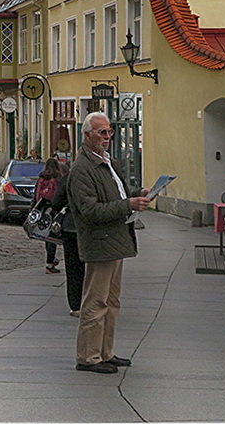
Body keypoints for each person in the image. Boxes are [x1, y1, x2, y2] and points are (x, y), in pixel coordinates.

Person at [67, 111, 151, 374]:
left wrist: (138, 196)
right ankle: (88, 357)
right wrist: (128, 204)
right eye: (102, 132)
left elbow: (117, 195)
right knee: (95, 302)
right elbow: (90, 211)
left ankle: (105, 352)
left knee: (112, 301)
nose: (107, 137)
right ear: (87, 135)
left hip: (116, 239)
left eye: (109, 132)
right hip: (100, 241)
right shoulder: (82, 169)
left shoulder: (107, 162)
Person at [50, 164, 84, 318]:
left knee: (73, 269)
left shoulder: (68, 177)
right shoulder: (98, 175)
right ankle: (91, 301)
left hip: (70, 227)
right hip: (91, 228)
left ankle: (75, 305)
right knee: (92, 269)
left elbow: (56, 201)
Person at [33, 157, 68, 274]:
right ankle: (50, 263)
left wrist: (33, 209)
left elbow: (35, 196)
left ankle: (51, 260)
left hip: (43, 209)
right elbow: (61, 195)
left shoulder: (41, 178)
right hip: (54, 210)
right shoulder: (58, 178)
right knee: (53, 237)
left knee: (46, 236)